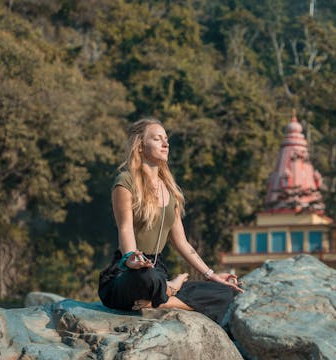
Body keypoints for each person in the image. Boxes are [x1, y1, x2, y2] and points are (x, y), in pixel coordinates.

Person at [98, 117, 244, 324]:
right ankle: (169, 288)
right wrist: (130, 258)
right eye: (157, 139)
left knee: (224, 292)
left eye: (166, 139)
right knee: (145, 277)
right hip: (127, 272)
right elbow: (125, 228)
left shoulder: (170, 191)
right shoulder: (125, 182)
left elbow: (181, 243)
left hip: (157, 270)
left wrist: (211, 275)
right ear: (140, 146)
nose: (165, 144)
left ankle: (161, 300)